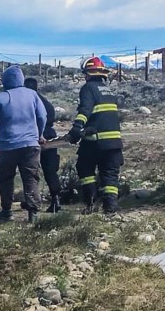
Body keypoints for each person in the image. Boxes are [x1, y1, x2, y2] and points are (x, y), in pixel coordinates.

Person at [0, 65, 47, 223]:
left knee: (6, 178)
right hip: (31, 145)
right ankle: (33, 213)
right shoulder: (32, 95)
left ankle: (6, 211)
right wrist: (39, 135)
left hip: (8, 146)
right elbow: (42, 116)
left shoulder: (0, 98)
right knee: (31, 178)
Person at [66, 57, 124, 214]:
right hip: (114, 143)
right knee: (110, 174)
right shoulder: (108, 91)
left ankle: (91, 202)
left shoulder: (88, 88)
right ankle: (111, 208)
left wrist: (76, 129)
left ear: (88, 74)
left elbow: (85, 110)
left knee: (84, 168)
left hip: (96, 141)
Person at [24, 77, 62, 213]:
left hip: (33, 138)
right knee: (50, 170)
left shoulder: (27, 101)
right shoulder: (46, 102)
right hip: (50, 137)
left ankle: (31, 201)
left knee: (29, 171)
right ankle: (56, 200)